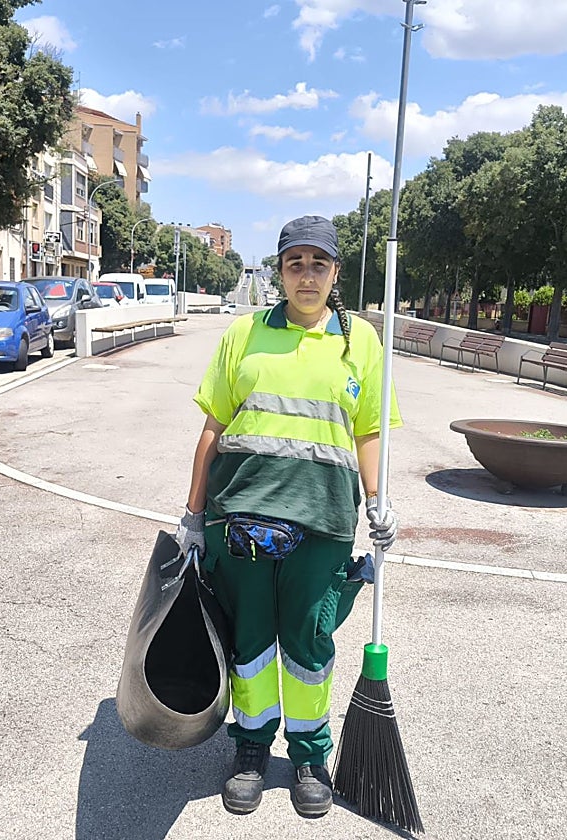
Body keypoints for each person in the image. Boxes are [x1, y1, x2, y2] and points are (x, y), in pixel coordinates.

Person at [175, 215, 401, 818]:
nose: (307, 275)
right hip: (240, 519)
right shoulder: (243, 334)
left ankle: (308, 757)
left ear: (335, 273)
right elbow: (212, 430)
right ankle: (251, 748)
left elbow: (369, 432)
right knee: (250, 641)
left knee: (308, 644)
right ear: (278, 272)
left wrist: (378, 499)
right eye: (295, 263)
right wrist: (193, 515)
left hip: (323, 522)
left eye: (318, 264)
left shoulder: (360, 342)